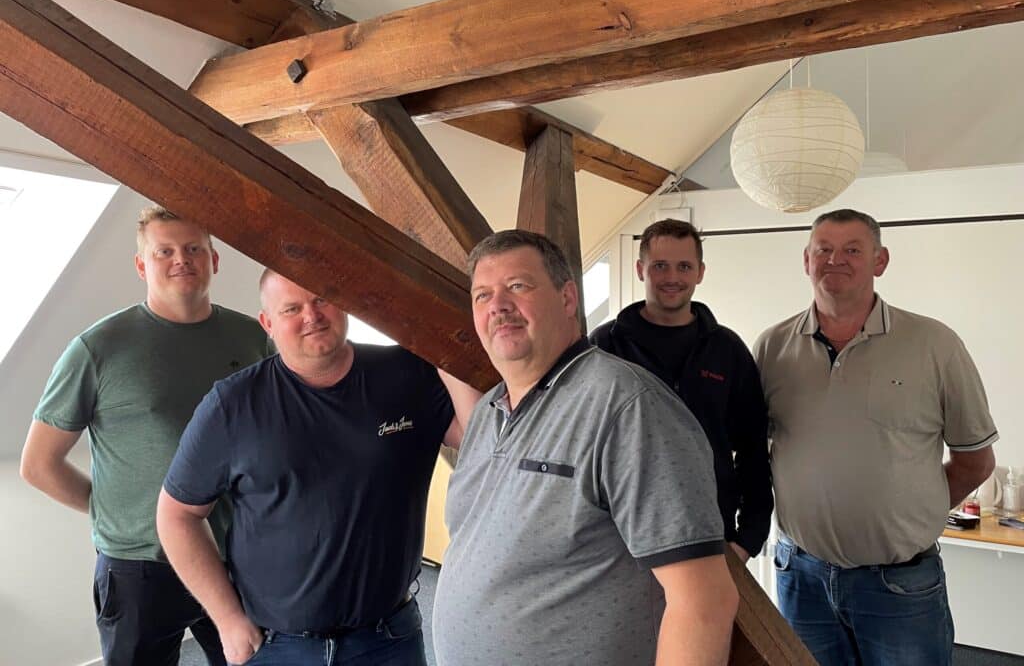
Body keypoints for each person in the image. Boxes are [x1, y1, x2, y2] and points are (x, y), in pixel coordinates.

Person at [433, 230, 738, 666]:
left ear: (567, 298)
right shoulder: (488, 411)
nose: (498, 305)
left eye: (518, 286)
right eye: (483, 295)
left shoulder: (627, 406)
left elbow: (704, 602)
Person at [157, 269, 477, 666]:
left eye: (322, 299)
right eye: (291, 309)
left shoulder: (405, 374)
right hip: (278, 646)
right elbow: (177, 515)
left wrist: (445, 355)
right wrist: (227, 620)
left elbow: (478, 439)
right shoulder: (233, 405)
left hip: (389, 638)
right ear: (268, 323)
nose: (311, 316)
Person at [20, 205, 272, 666]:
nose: (182, 260)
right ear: (142, 265)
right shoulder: (98, 348)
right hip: (140, 566)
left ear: (214, 259)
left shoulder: (253, 338)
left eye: (194, 249)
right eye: (164, 252)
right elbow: (38, 465)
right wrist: (113, 511)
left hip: (235, 553)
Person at [754, 208, 997, 666]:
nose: (835, 260)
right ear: (806, 260)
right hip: (801, 579)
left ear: (879, 261)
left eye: (852, 250)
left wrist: (912, 514)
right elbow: (754, 452)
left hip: (899, 586)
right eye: (823, 249)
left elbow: (975, 461)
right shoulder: (771, 347)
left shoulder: (934, 344)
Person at [590, 219, 772, 562]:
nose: (672, 277)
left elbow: (753, 449)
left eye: (684, 266)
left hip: (710, 535)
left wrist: (749, 539)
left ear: (700, 272)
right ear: (641, 269)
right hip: (620, 539)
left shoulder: (728, 350)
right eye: (660, 266)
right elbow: (583, 443)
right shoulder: (605, 345)